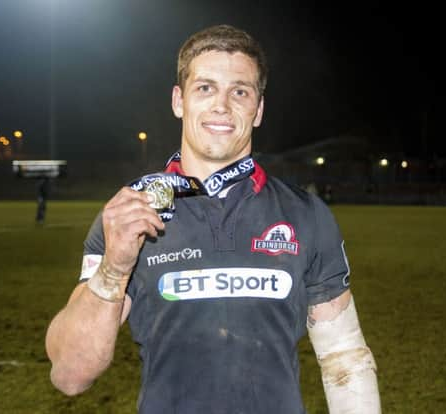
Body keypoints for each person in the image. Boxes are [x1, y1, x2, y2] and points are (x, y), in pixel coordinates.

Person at [45, 24, 381, 413]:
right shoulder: (129, 214)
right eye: (205, 88)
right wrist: (114, 270)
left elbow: (345, 358)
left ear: (258, 110)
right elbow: (70, 375)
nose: (222, 105)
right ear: (178, 100)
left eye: (240, 91)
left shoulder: (306, 216)